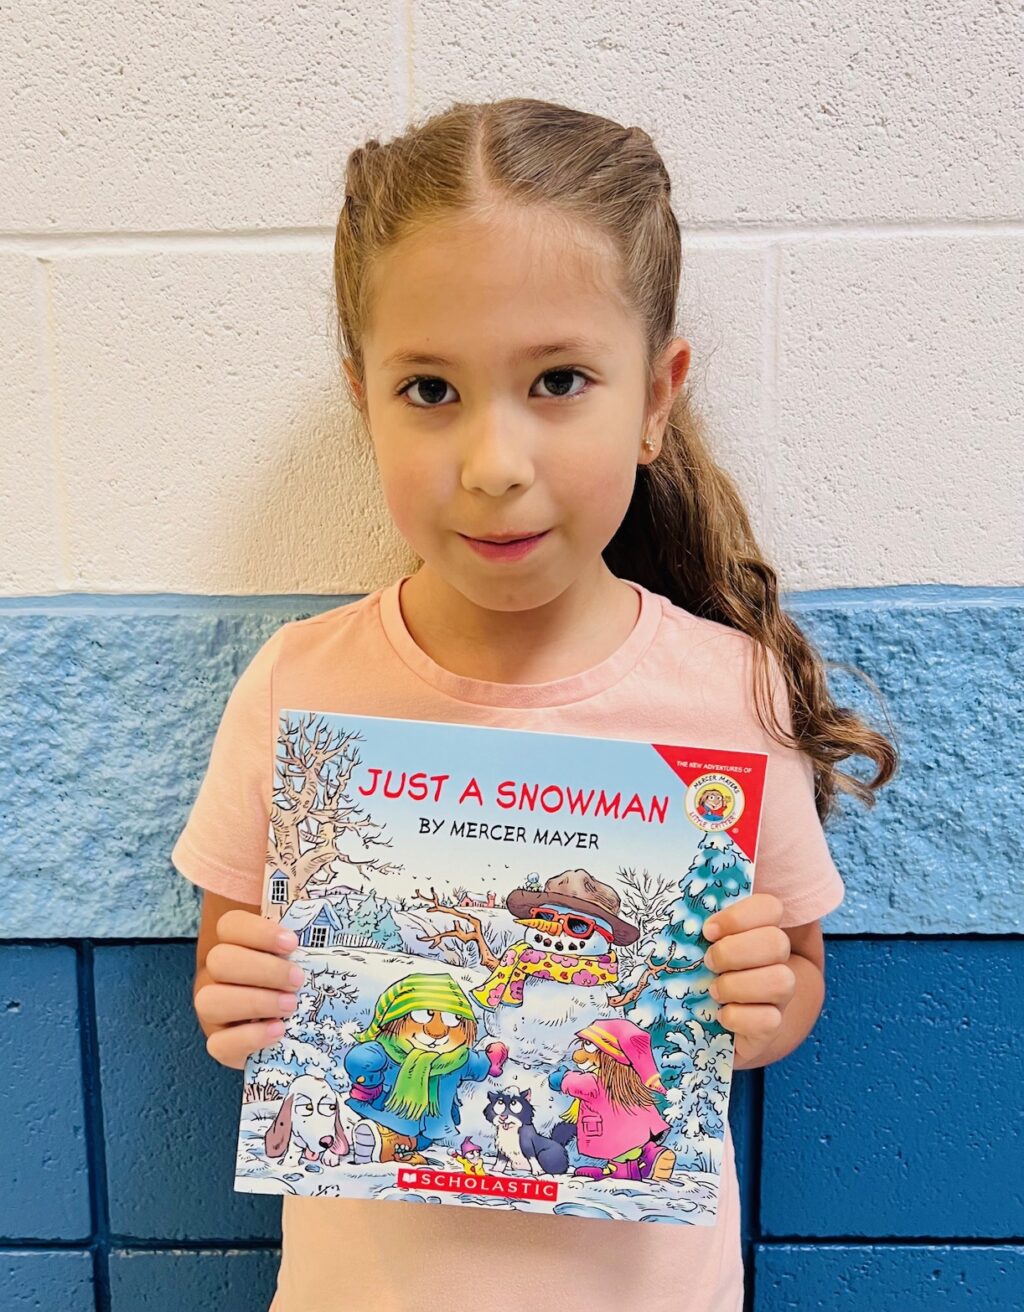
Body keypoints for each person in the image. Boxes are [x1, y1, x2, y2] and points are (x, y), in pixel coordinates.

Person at [172, 97, 897, 1312]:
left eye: (557, 380)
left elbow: (794, 974)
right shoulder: (300, 683)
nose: (494, 461)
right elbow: (231, 960)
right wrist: (239, 999)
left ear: (656, 398)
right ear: (362, 398)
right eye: (429, 390)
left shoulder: (730, 692)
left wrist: (767, 1005)